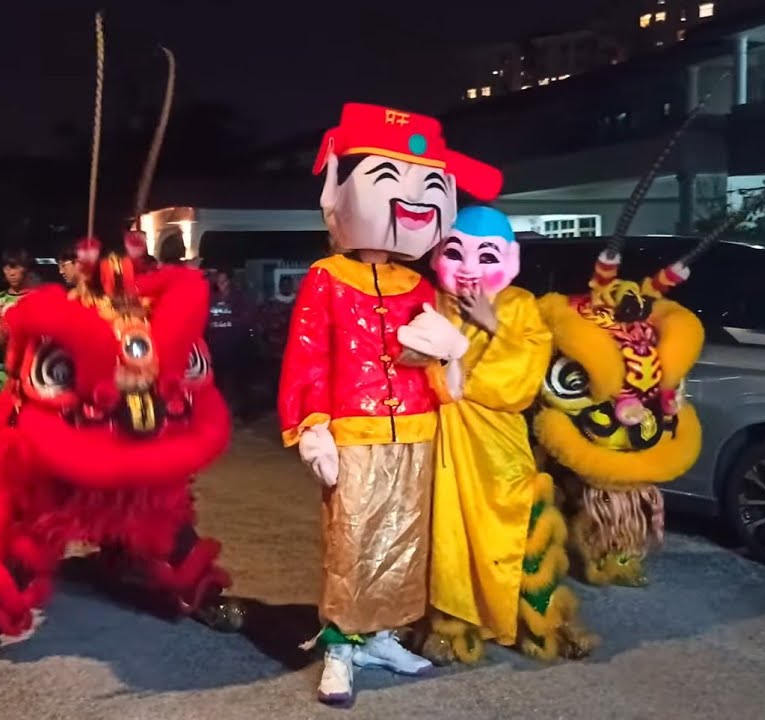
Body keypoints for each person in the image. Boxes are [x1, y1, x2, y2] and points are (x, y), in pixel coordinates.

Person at [278, 103, 502, 706]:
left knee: (404, 538)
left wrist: (447, 353)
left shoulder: (419, 284)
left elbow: (437, 357)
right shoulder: (326, 277)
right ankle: (340, 646)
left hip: (417, 431)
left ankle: (381, 635)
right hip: (353, 432)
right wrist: (313, 427)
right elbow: (308, 356)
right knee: (351, 539)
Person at [420, 206, 596, 665]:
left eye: (486, 256)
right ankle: (452, 626)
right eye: (455, 253)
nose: (469, 268)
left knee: (515, 531)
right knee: (446, 538)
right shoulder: (428, 300)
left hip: (499, 450)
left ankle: (540, 622)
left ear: (511, 259)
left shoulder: (519, 305)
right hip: (441, 443)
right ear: (437, 255)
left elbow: (521, 381)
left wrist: (492, 325)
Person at [0, 249, 32, 420]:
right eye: (7, 268)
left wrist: (10, 335)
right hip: (2, 372)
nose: (11, 272)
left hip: (29, 372)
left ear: (25, 269)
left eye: (16, 267)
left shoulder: (35, 299)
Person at [206, 268, 251, 421]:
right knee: (217, 382)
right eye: (218, 281)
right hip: (215, 346)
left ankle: (240, 413)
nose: (221, 284)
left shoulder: (239, 297)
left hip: (235, 346)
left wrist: (233, 324)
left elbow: (247, 318)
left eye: (224, 281)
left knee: (236, 380)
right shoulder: (210, 297)